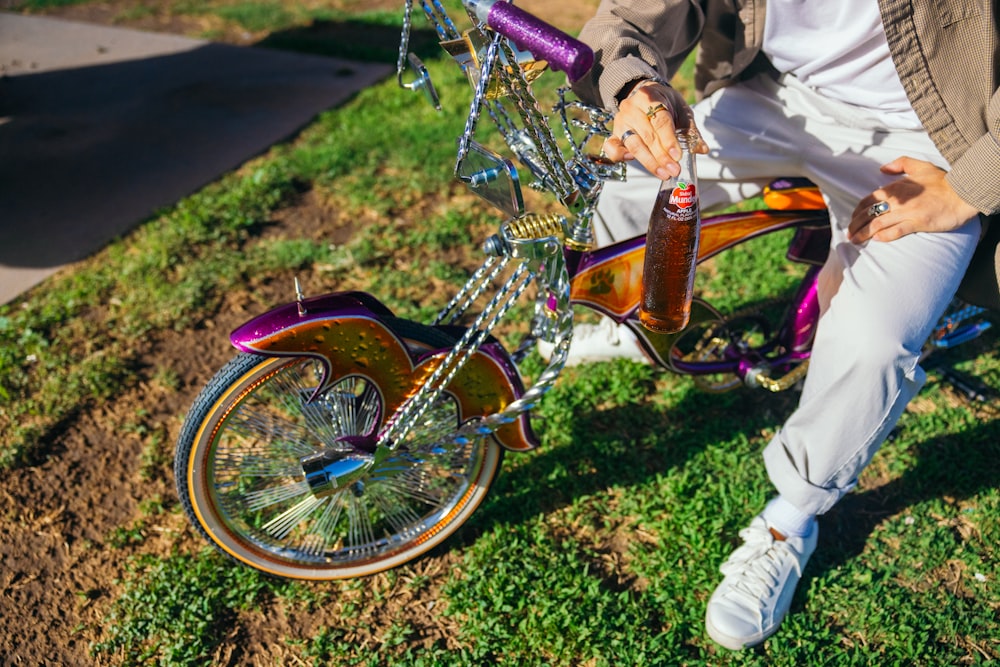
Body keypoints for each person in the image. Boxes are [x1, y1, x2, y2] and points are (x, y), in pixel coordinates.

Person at [566, 0, 1000, 651]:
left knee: (874, 342)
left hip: (928, 143)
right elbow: (637, 13)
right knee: (626, 182)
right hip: (778, 97)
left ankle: (790, 519)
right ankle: (638, 324)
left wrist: (968, 186)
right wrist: (636, 87)